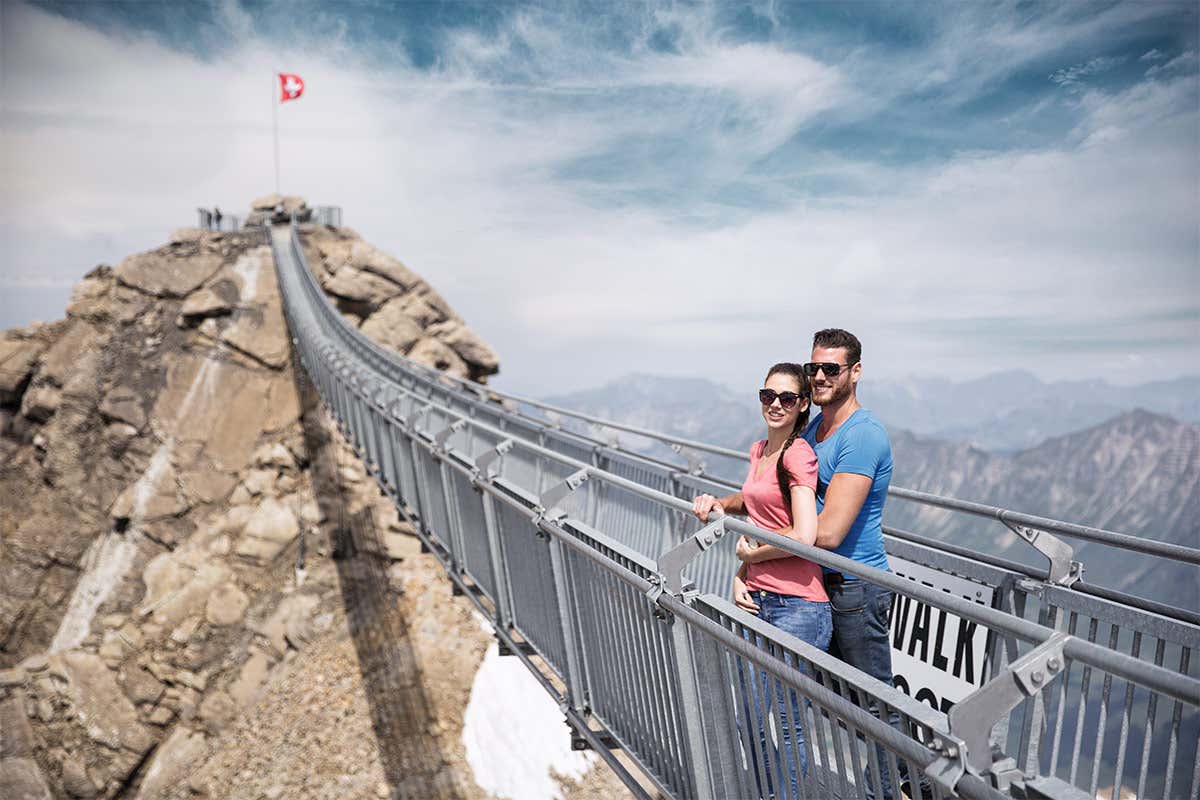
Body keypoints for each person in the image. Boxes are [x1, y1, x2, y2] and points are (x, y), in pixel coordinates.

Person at [694, 329, 912, 799]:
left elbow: (825, 534)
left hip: (854, 584)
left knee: (872, 704)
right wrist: (726, 509)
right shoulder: (812, 432)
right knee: (823, 706)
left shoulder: (862, 436)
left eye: (831, 368)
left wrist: (751, 554)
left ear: (856, 372)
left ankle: (902, 786)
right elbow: (773, 498)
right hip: (811, 582)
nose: (820, 376)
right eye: (814, 368)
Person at [692, 362, 831, 796]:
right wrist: (721, 508)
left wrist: (752, 556)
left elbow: (804, 535)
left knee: (786, 725)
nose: (775, 404)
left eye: (787, 398)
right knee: (749, 718)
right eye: (768, 395)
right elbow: (756, 504)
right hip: (759, 599)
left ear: (803, 405)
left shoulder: (798, 455)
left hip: (799, 607)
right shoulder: (760, 450)